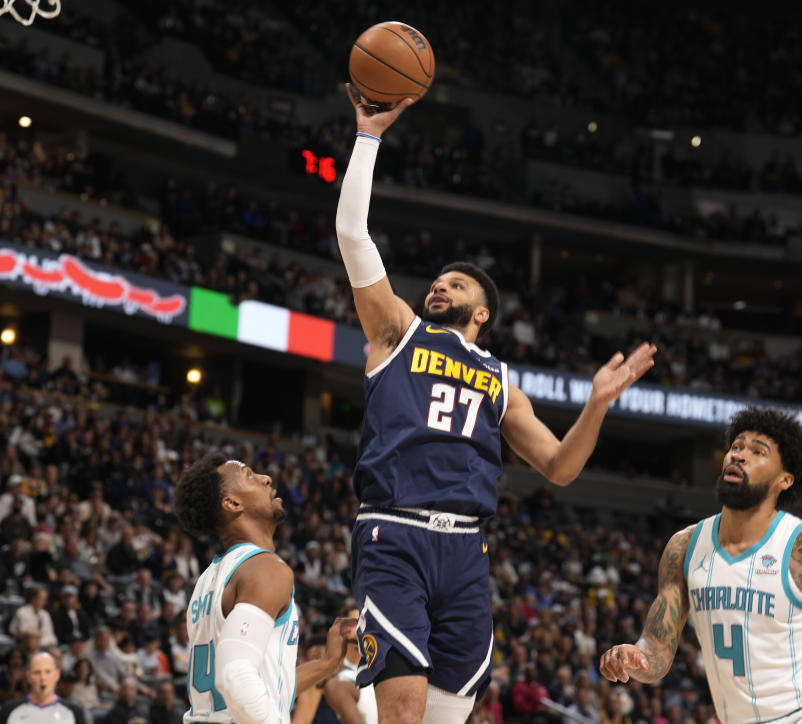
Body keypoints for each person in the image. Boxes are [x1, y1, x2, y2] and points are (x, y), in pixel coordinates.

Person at [335, 85, 657, 724]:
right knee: (399, 713)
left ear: (480, 311)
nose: (437, 286)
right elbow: (351, 233)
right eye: (436, 280)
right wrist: (367, 137)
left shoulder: (501, 379)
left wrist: (596, 404)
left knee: (448, 715)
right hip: (395, 533)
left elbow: (561, 468)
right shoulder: (398, 331)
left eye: (453, 283)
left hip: (466, 553)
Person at [599, 407, 802, 722]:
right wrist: (635, 657)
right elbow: (657, 648)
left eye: (757, 451)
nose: (739, 456)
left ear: (785, 479)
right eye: (736, 447)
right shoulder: (684, 548)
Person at [173, 452, 356, 724]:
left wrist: (328, 664)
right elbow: (235, 676)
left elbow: (261, 686)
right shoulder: (265, 569)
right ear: (233, 503)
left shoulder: (208, 579)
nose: (266, 478)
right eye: (249, 475)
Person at [323, 608, 378, 723]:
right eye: (356, 621)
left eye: (364, 621)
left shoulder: (380, 668)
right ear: (345, 628)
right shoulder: (338, 678)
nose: (361, 627)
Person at [0, 651, 88, 724]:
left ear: (57, 675)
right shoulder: (9, 709)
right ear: (28, 677)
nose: (43, 678)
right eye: (37, 672)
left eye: (48, 672)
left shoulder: (74, 712)